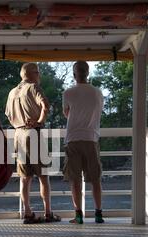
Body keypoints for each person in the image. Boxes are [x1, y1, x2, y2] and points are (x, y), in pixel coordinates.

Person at [5, 63, 59, 224]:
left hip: (18, 135)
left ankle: (28, 213)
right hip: (33, 133)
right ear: (33, 74)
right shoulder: (33, 87)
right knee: (43, 176)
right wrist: (39, 122)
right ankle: (48, 213)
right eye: (38, 73)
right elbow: (45, 105)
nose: (39, 76)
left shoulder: (12, 92)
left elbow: (8, 115)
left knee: (24, 177)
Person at [62, 61, 104, 224]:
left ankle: (79, 215)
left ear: (74, 74)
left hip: (73, 139)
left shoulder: (68, 93)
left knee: (75, 179)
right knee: (95, 179)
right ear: (88, 73)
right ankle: (98, 214)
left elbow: (67, 114)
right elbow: (98, 111)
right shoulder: (97, 92)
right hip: (91, 138)